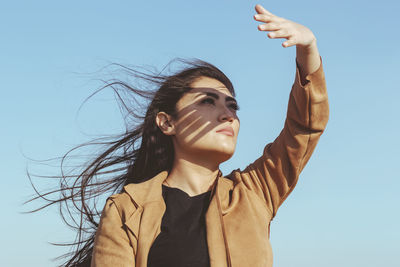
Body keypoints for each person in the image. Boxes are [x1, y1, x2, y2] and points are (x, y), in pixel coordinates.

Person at [29, 4, 329, 267]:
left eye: (232, 105)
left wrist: (308, 50)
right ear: (166, 123)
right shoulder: (125, 209)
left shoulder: (254, 193)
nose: (228, 115)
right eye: (207, 101)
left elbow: (303, 129)